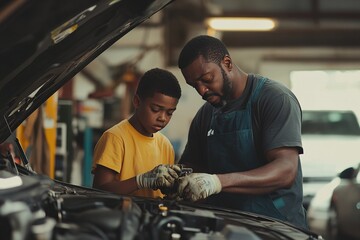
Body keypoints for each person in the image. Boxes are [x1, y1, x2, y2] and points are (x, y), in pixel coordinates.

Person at [176, 35, 308, 229]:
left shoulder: (274, 99)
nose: (202, 91)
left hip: (276, 227)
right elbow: (191, 166)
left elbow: (286, 170)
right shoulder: (205, 115)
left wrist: (218, 182)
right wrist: (174, 176)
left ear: (227, 63)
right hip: (225, 228)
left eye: (207, 79)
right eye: (194, 85)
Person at [92, 68, 182, 198]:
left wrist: (175, 190)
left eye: (169, 113)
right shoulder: (115, 138)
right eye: (155, 109)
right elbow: (99, 190)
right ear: (137, 102)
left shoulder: (166, 145)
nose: (163, 118)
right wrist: (141, 181)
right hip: (122, 216)